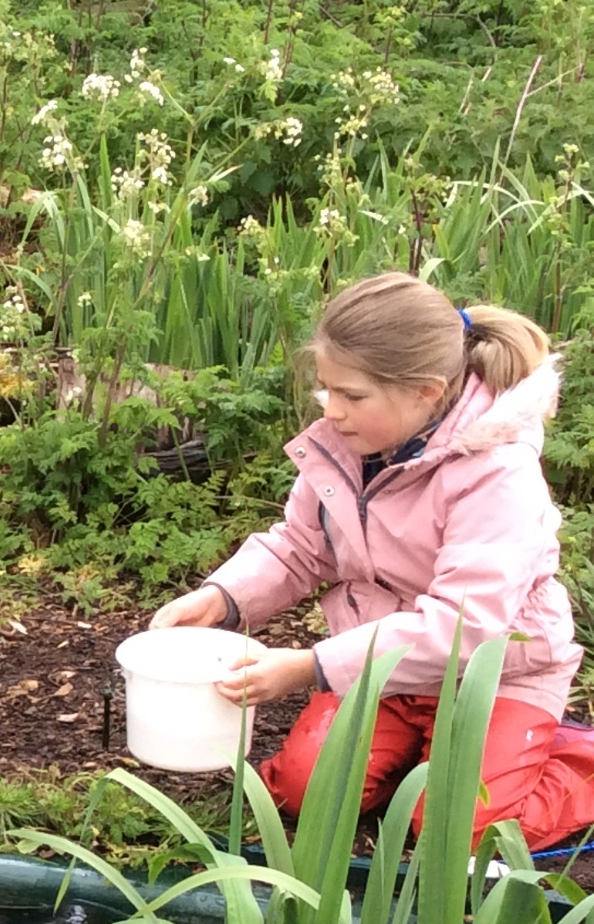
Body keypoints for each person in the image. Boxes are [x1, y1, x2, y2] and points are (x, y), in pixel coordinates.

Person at [151, 272, 594, 848]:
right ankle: (426, 755)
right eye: (328, 389)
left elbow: (462, 627)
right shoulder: (345, 447)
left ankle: (567, 758)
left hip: (494, 677)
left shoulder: (496, 475)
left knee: (462, 832)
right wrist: (221, 598)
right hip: (380, 671)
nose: (331, 411)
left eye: (352, 395)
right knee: (301, 790)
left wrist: (308, 667)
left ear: (427, 391)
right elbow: (299, 546)